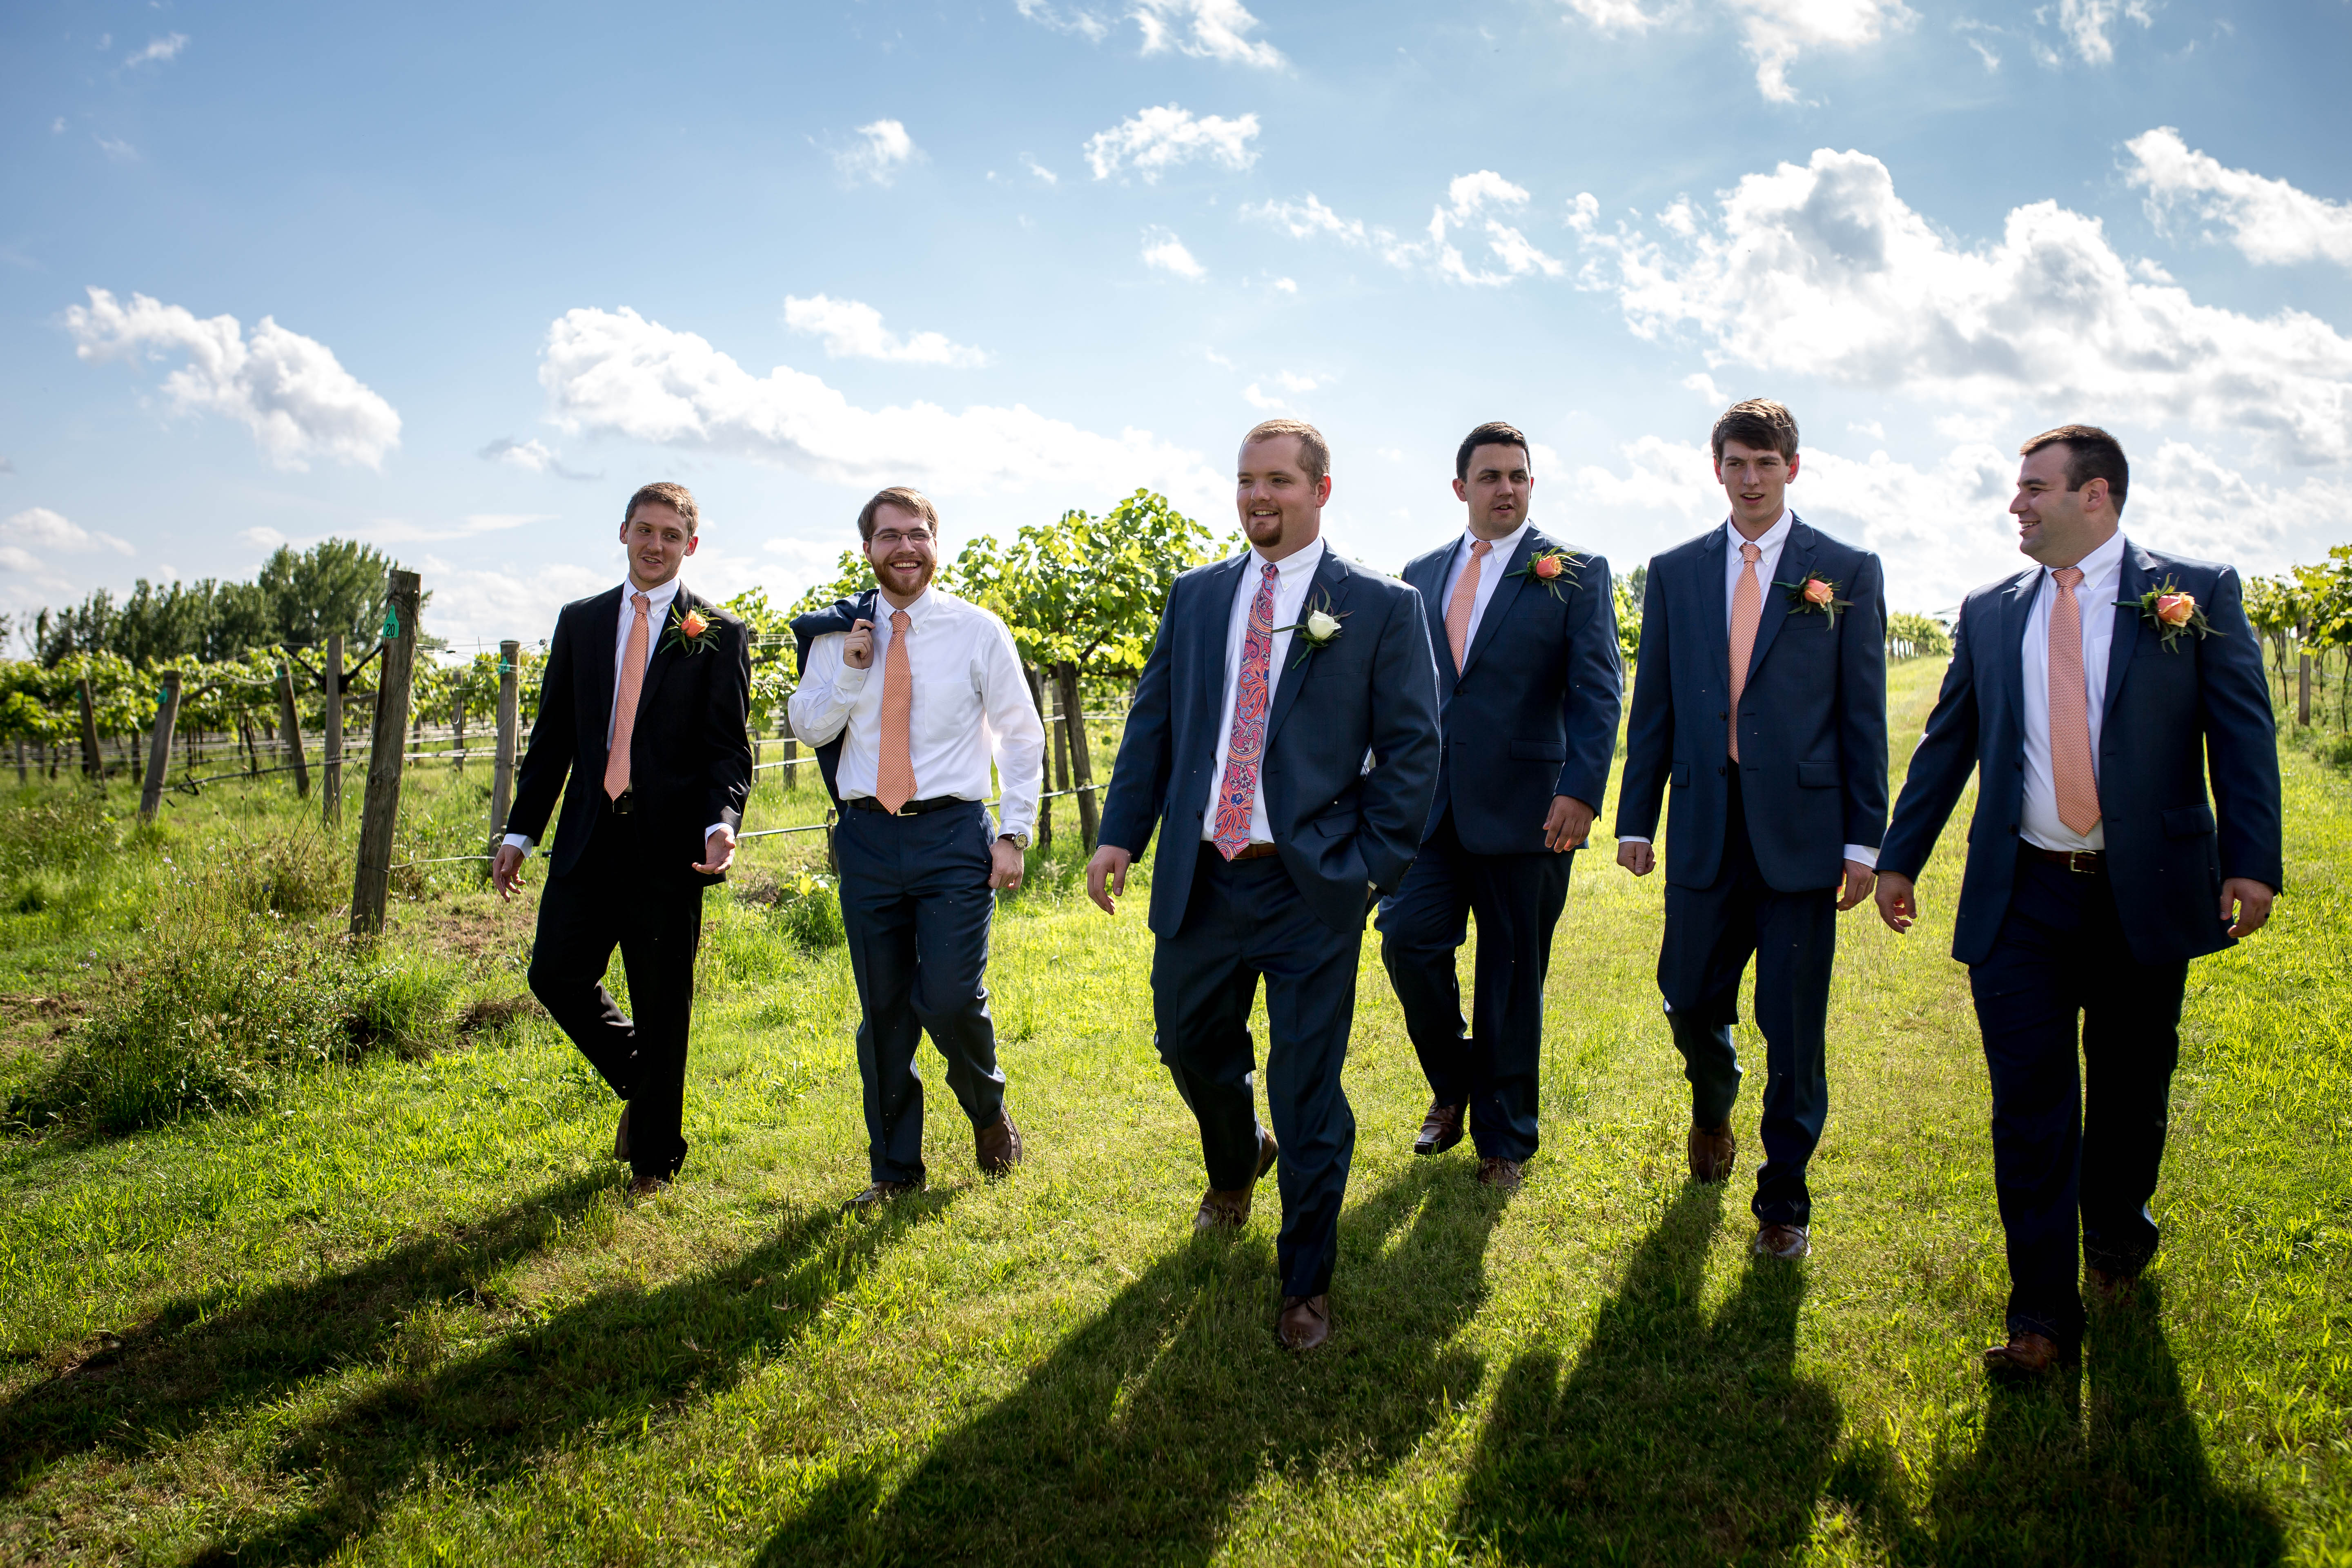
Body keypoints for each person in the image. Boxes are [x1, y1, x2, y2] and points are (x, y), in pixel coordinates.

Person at [1875, 425, 2281, 1377]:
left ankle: (2118, 1234)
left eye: (2034, 488)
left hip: (2150, 889)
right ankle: (2041, 1318)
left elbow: (2243, 733)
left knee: (2133, 1089)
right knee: (2030, 1104)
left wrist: (2252, 862)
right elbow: (1948, 741)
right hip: (2023, 894)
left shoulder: (2196, 593)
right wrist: (1901, 858)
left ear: (2094, 495)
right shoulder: (1990, 611)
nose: (2017, 504)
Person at [1087, 419, 1441, 1352]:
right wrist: (1120, 835)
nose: (1258, 496)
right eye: (1247, 479)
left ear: (1321, 489)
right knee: (1185, 1043)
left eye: (1279, 480)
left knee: (1306, 1087)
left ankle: (1305, 1283)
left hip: (1308, 888)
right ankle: (1238, 1157)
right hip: (1202, 879)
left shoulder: (1381, 605)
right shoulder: (1197, 596)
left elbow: (1413, 752)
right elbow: (1155, 725)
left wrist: (1367, 867)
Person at [1615, 399, 1888, 1262]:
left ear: (1792, 469)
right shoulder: (1676, 571)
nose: (1751, 477)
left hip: (1803, 835)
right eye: (1737, 462)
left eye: (1767, 463)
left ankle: (1784, 1203)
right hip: (1704, 821)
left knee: (1793, 1026)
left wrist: (1863, 843)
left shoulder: (1845, 569)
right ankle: (1714, 1102)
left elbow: (1863, 715)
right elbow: (1653, 705)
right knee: (1688, 996)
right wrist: (1635, 818)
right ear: (1717, 469)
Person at [1377, 421, 1622, 1190]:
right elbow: (1401, 690)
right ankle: (1454, 1085)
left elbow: (1599, 690)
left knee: (1512, 978)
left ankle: (1505, 1142)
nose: (1506, 488)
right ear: (1462, 488)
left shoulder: (1576, 573)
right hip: (1428, 808)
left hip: (1531, 810)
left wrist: (1581, 790)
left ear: (1531, 483)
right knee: (1408, 943)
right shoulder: (1419, 573)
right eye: (1490, 477)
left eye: (1518, 475)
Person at [789, 486, 1046, 1211]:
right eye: (889, 536)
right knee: (884, 1013)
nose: (905, 548)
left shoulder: (977, 630)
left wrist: (1013, 833)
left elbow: (1020, 734)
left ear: (936, 544)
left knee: (949, 997)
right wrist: (851, 671)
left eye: (917, 534)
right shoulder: (837, 636)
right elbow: (808, 727)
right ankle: (895, 1172)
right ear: (867, 549)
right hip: (866, 837)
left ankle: (988, 1109)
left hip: (951, 836)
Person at [493, 481, 753, 1196]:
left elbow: (729, 749)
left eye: (670, 535)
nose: (655, 545)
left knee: (663, 1002)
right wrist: (521, 831)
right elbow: (551, 739)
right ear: (623, 532)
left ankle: (653, 1164)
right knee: (555, 974)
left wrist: (722, 823)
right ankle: (648, 1082)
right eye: (645, 530)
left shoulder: (718, 632)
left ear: (690, 546)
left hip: (671, 849)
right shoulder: (580, 622)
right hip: (587, 837)